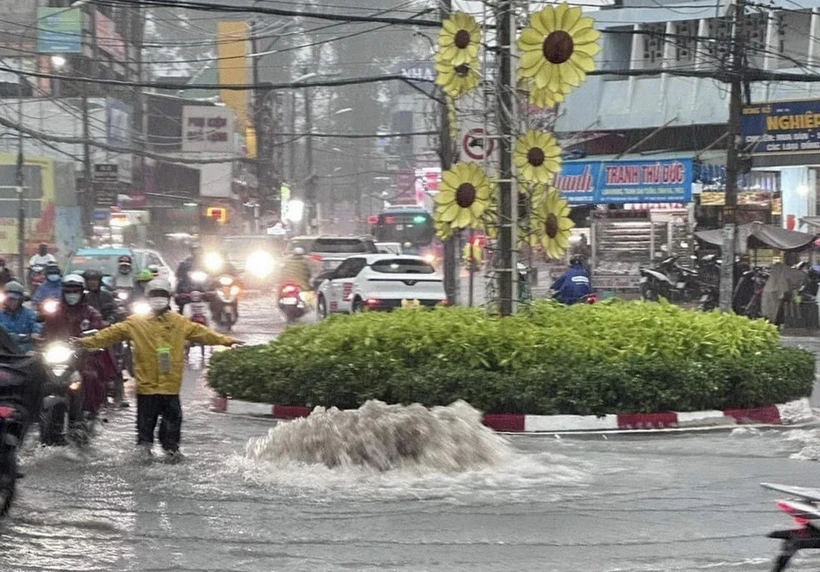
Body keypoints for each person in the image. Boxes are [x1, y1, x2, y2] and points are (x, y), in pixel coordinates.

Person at [76, 279, 242, 463]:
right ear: (148, 298)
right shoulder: (135, 323)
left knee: (172, 433)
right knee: (144, 434)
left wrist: (227, 340)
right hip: (147, 388)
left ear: (169, 298)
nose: (158, 299)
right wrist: (84, 342)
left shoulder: (180, 322)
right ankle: (144, 459)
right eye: (154, 295)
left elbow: (204, 333)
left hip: (170, 388)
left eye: (162, 295)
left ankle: (171, 456)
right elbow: (108, 335)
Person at [42, 274, 114, 415]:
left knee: (88, 376)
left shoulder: (91, 313)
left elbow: (98, 334)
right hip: (58, 356)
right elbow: (46, 332)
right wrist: (41, 341)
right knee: (38, 374)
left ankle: (89, 411)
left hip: (84, 356)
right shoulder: (55, 313)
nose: (72, 295)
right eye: (68, 292)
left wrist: (89, 344)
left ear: (81, 293)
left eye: (75, 291)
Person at [0, 281, 41, 353]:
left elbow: (36, 325)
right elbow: (6, 336)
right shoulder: (1, 315)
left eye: (15, 300)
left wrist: (36, 332)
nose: (12, 302)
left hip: (26, 351)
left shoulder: (29, 314)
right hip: (4, 352)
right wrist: (25, 337)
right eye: (9, 299)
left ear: (20, 300)